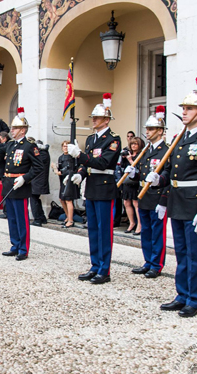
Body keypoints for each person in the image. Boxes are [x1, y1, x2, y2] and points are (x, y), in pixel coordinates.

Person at [146, 76, 197, 317]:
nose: (185, 112)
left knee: (195, 254)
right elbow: (172, 171)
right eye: (184, 108)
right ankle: (181, 294)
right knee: (180, 252)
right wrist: (160, 180)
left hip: (196, 203)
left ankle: (194, 298)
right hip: (177, 201)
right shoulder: (180, 140)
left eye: (189, 108)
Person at [67, 93, 122, 284]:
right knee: (93, 230)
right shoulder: (91, 139)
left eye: (97, 118)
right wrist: (80, 174)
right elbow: (88, 164)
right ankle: (95, 265)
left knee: (104, 230)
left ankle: (104, 269)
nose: (94, 121)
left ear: (106, 120)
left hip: (105, 189)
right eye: (93, 118)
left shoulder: (113, 140)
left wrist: (80, 156)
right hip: (90, 187)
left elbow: (102, 162)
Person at [0, 107, 43, 260]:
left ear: (23, 130)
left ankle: (23, 249)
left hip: (20, 185)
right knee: (11, 218)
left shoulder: (29, 146)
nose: (11, 130)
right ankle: (15, 245)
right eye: (12, 127)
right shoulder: (11, 145)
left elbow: (39, 167)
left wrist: (25, 178)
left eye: (15, 128)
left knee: (21, 218)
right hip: (8, 185)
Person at [125, 106, 169, 278]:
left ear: (160, 131)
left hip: (157, 195)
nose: (147, 132)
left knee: (157, 232)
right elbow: (142, 173)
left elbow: (168, 175)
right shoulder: (146, 150)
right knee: (146, 231)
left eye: (151, 129)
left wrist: (164, 201)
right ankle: (148, 260)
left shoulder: (166, 150)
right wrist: (134, 173)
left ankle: (157, 264)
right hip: (143, 194)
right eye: (147, 129)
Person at [121, 137, 144, 234]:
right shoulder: (128, 154)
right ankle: (132, 223)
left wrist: (131, 160)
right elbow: (122, 166)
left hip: (135, 182)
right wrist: (124, 158)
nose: (133, 146)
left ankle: (140, 224)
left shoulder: (141, 155)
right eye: (132, 144)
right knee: (126, 203)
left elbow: (140, 168)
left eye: (136, 144)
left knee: (136, 204)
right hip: (127, 181)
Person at [53, 140, 79, 227]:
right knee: (62, 199)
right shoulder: (61, 157)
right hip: (62, 180)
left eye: (67, 146)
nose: (65, 148)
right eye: (64, 146)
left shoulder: (72, 157)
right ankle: (68, 216)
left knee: (68, 200)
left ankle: (71, 220)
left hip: (69, 180)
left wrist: (57, 171)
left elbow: (69, 170)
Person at [30, 140, 50, 226]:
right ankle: (42, 217)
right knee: (36, 199)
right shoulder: (43, 154)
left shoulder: (43, 154)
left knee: (33, 199)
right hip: (38, 180)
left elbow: (35, 163)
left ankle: (37, 219)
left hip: (38, 181)